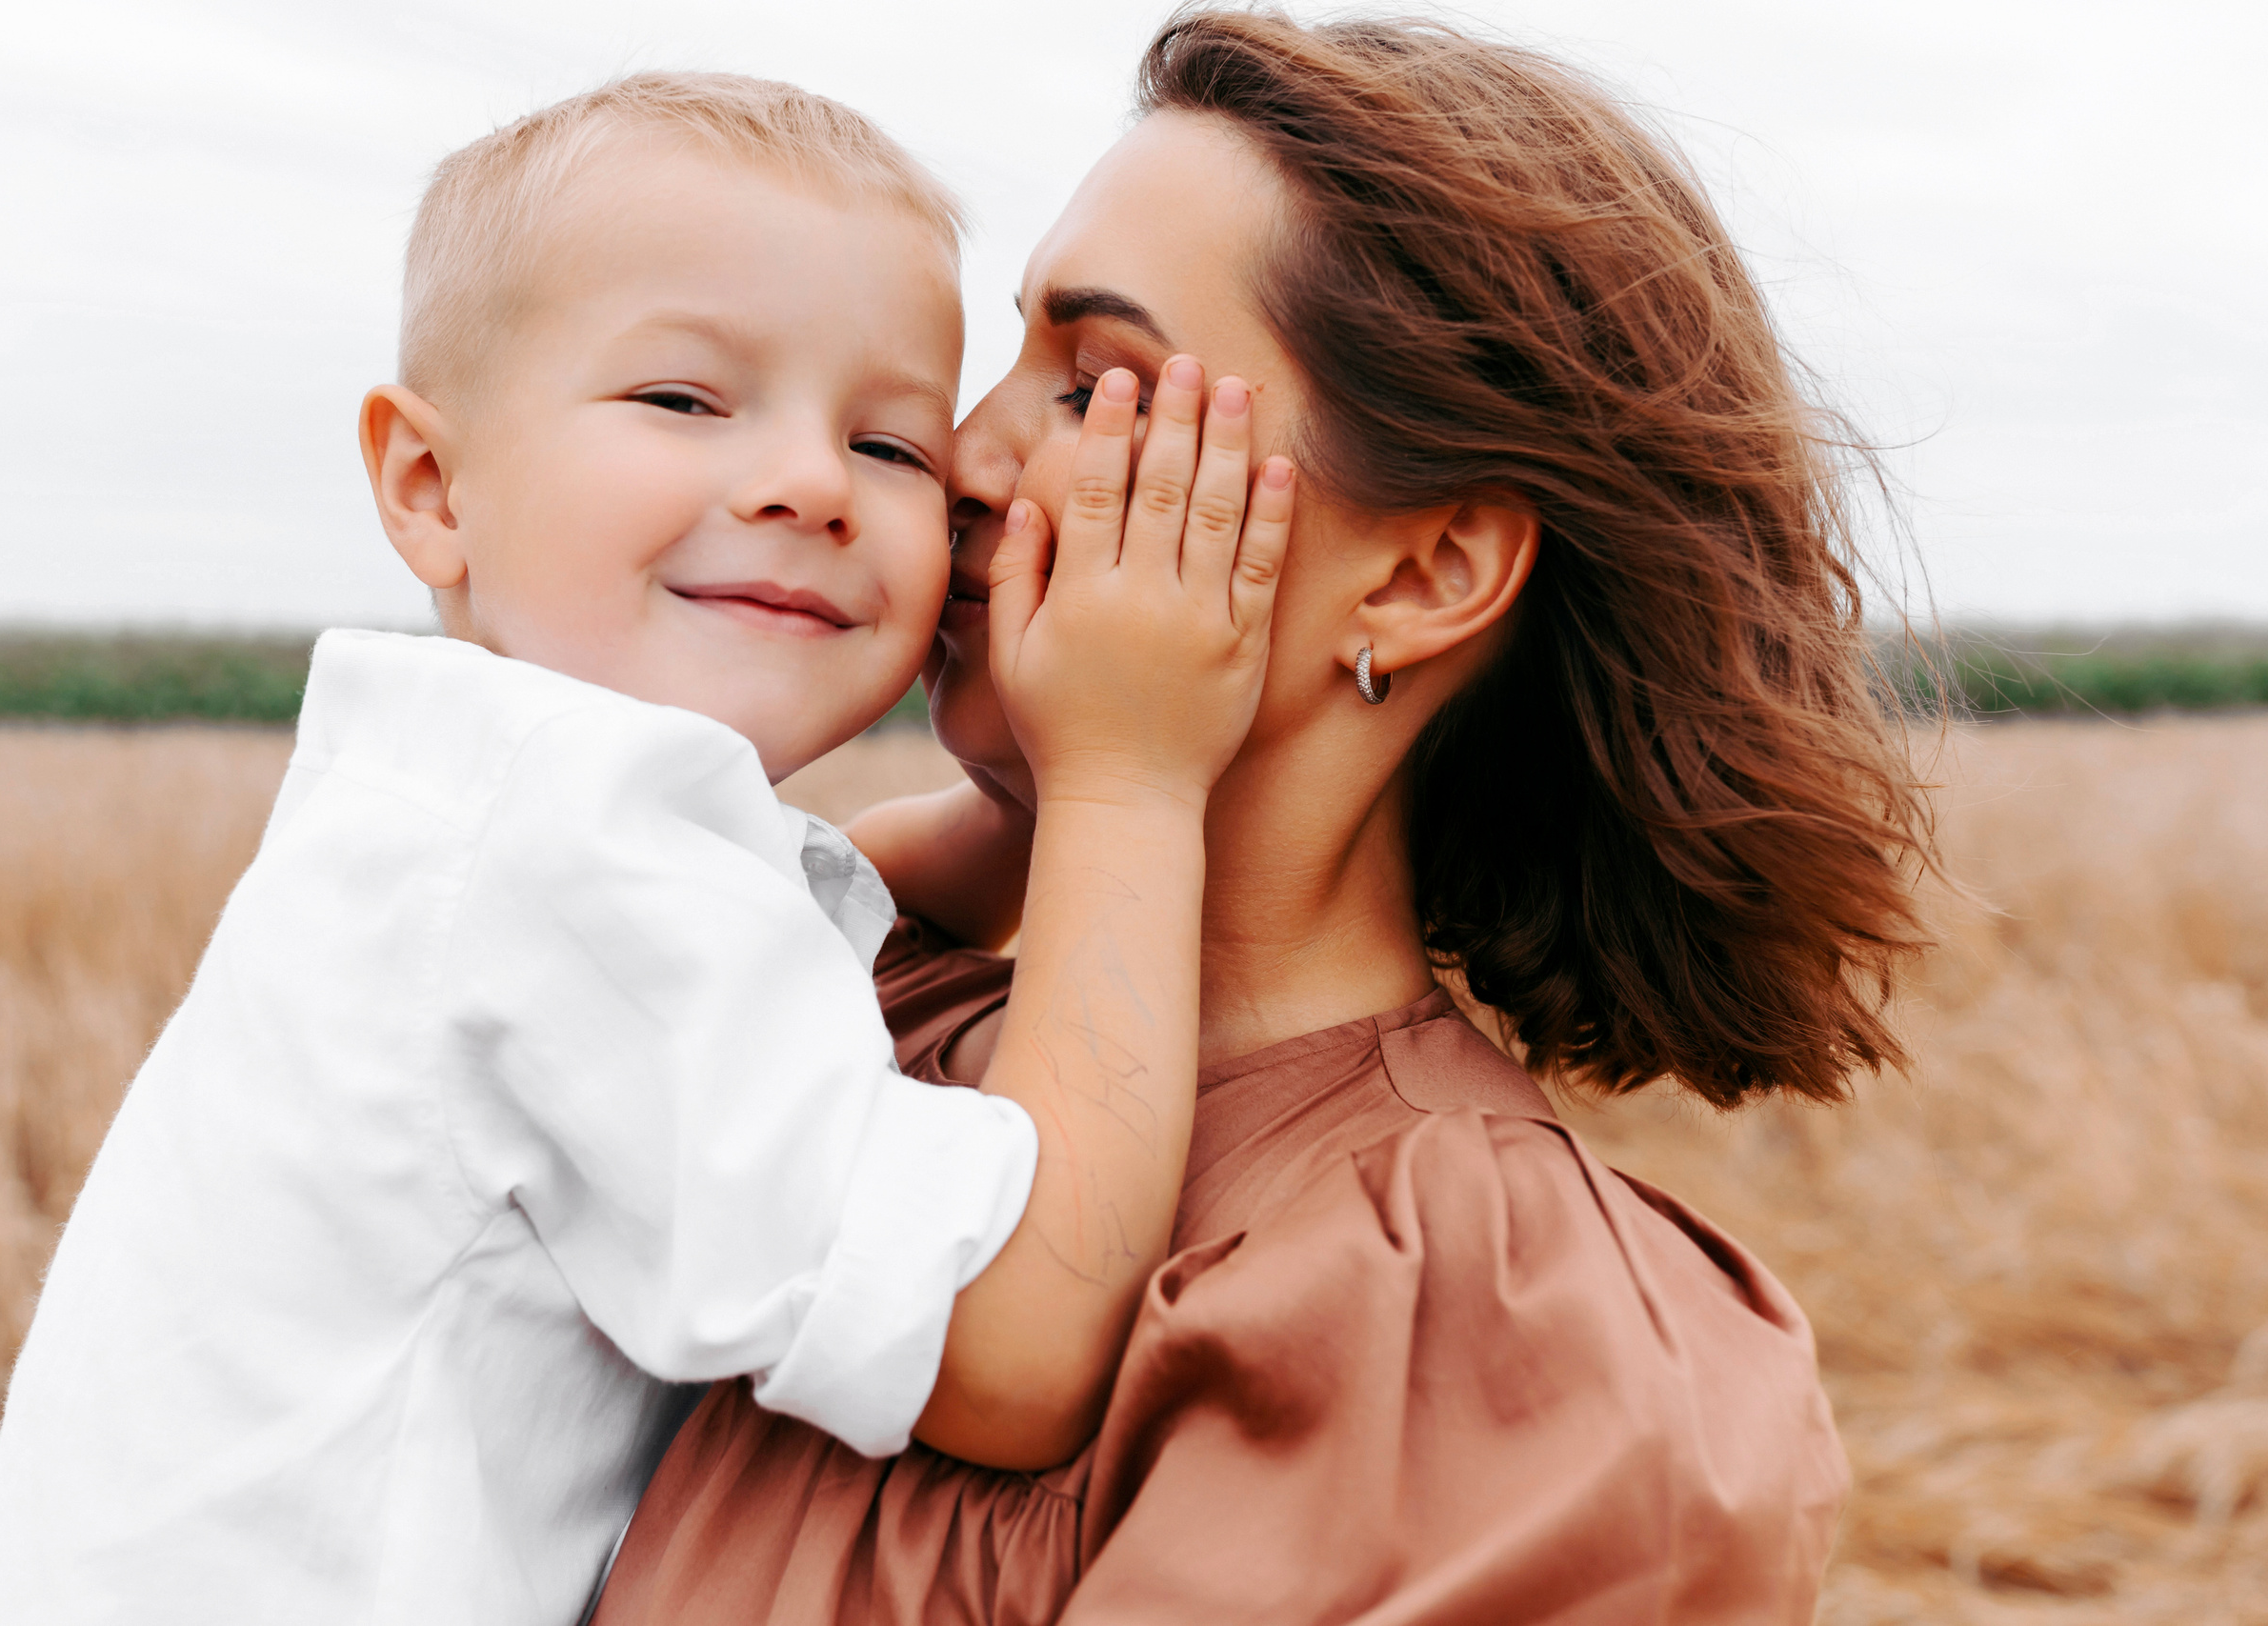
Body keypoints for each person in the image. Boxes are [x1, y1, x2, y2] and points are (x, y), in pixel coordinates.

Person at [597, 14, 1934, 1624]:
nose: (958, 457)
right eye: (1001, 366)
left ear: (1424, 577)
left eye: (1096, 390)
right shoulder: (829, 1026)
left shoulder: (1497, 1339)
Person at [0, 72, 1295, 1625]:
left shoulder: (471, 811)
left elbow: (833, 894)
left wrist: (1030, 787)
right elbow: (1013, 1344)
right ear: (430, 486)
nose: (808, 482)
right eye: (684, 401)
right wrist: (1131, 780)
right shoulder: (558, 862)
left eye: (892, 447)